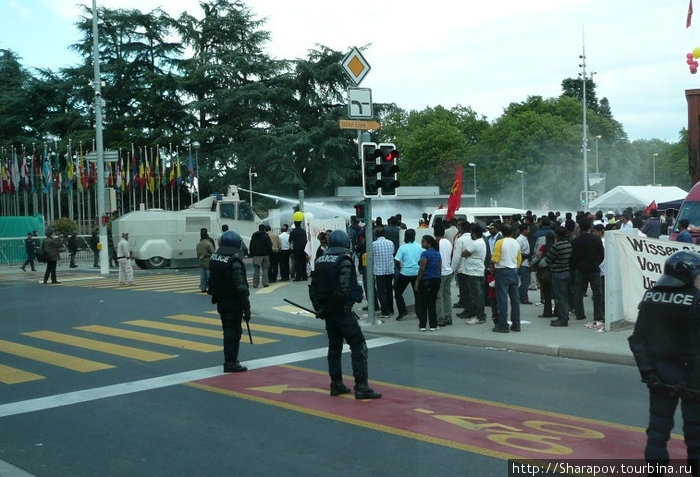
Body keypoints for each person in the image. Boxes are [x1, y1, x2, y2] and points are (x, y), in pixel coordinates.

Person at [628, 250, 700, 473]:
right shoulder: (696, 299)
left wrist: (649, 373)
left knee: (657, 437)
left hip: (660, 378)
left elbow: (637, 340)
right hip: (694, 380)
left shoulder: (651, 296)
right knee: (696, 439)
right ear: (689, 275)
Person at [308, 229, 382, 399]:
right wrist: (335, 307)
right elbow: (343, 290)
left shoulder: (320, 260)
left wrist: (321, 308)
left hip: (328, 313)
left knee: (334, 347)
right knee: (359, 346)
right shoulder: (344, 260)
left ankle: (336, 384)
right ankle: (361, 386)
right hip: (341, 312)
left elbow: (313, 288)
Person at [208, 230, 251, 373]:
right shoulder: (234, 261)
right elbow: (241, 287)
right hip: (233, 302)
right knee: (233, 332)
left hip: (221, 300)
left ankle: (230, 359)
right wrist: (247, 307)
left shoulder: (215, 257)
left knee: (227, 330)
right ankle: (231, 362)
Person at [570, 218, 605, 323]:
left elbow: (573, 257)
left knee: (579, 292)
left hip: (581, 269)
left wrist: (577, 266)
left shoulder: (576, 240)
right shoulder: (596, 239)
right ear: (590, 228)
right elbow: (601, 255)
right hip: (594, 269)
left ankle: (580, 314)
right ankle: (598, 315)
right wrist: (596, 263)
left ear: (580, 228)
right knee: (597, 292)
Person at [491, 224, 522, 333]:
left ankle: (503, 324)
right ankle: (516, 324)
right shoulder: (516, 242)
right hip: (513, 271)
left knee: (503, 299)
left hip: (502, 271)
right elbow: (519, 259)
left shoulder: (500, 242)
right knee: (515, 299)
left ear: (502, 233)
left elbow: (495, 258)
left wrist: (492, 264)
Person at [414, 234, 442, 332]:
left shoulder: (425, 254)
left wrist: (417, 281)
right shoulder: (437, 253)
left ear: (429, 244)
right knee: (432, 303)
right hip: (436, 279)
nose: (421, 243)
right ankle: (433, 325)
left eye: (423, 241)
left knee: (423, 303)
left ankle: (422, 325)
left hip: (426, 280)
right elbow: (439, 267)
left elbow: (422, 268)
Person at [393, 229, 423, 320]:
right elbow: (424, 258)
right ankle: (419, 313)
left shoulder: (403, 247)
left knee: (397, 292)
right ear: (414, 236)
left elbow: (396, 260)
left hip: (405, 273)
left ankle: (402, 311)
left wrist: (400, 267)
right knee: (417, 294)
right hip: (416, 273)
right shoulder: (419, 246)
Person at [548, 227, 573, 327]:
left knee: (559, 297)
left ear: (557, 235)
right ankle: (564, 316)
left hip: (557, 273)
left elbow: (549, 259)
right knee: (565, 296)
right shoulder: (568, 245)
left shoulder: (556, 246)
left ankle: (563, 318)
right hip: (566, 272)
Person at [372, 226, 395, 318]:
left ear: (376, 235)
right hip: (389, 269)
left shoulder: (373, 244)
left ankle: (384, 312)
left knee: (381, 292)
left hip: (379, 271)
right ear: (385, 234)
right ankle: (391, 309)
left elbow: (372, 256)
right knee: (389, 290)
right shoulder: (390, 243)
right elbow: (392, 253)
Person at [249, 223, 272, 288]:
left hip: (256, 255)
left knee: (256, 270)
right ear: (264, 229)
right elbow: (269, 246)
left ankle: (255, 284)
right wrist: (268, 253)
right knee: (265, 269)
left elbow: (251, 245)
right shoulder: (266, 236)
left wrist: (251, 254)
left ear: (258, 229)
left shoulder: (254, 236)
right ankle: (265, 283)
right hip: (265, 255)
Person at [289, 214, 308, 281]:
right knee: (303, 263)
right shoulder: (303, 231)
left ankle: (298, 277)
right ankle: (304, 276)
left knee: (297, 263)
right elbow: (306, 240)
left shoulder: (292, 232)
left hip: (296, 249)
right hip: (303, 249)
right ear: (300, 223)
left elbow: (290, 241)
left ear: (294, 224)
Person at [196, 228, 216, 293]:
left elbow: (198, 255)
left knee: (203, 276)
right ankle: (211, 288)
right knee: (210, 276)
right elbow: (213, 252)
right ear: (207, 235)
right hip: (208, 262)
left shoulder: (198, 244)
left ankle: (203, 288)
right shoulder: (209, 243)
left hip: (201, 262)